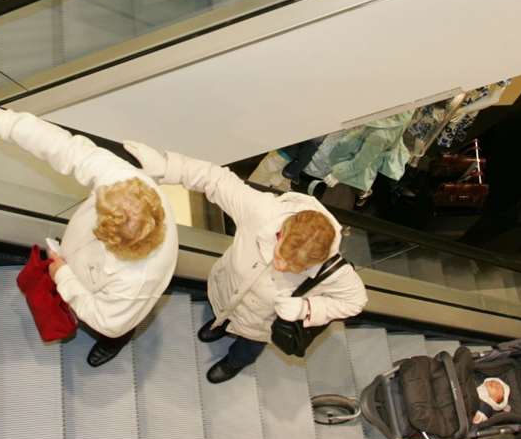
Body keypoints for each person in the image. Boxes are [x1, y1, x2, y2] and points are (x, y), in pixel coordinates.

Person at [0, 91, 177, 367]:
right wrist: (2, 121)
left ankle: (114, 346)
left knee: (117, 329)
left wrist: (64, 277)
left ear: (112, 240)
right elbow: (67, 148)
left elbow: (107, 320)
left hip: (99, 296)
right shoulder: (126, 183)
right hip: (77, 259)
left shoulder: (137, 282)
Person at [124, 139, 366, 383]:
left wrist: (308, 309)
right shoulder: (261, 211)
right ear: (280, 233)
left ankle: (233, 363)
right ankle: (218, 325)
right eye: (280, 255)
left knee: (247, 349)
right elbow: (215, 180)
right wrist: (167, 167)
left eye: (295, 268)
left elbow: (355, 301)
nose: (280, 267)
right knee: (220, 311)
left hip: (259, 325)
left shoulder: (333, 269)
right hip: (227, 290)